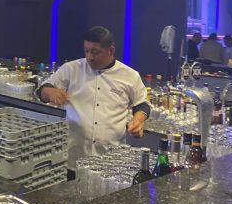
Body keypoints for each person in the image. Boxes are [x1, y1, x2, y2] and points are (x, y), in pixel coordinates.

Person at [38, 26, 150, 170]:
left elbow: (141, 104)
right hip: (73, 157)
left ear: (111, 50)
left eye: (95, 52)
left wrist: (138, 121)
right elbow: (41, 91)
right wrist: (50, 92)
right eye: (86, 51)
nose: (89, 57)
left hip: (111, 160)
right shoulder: (71, 69)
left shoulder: (129, 75)